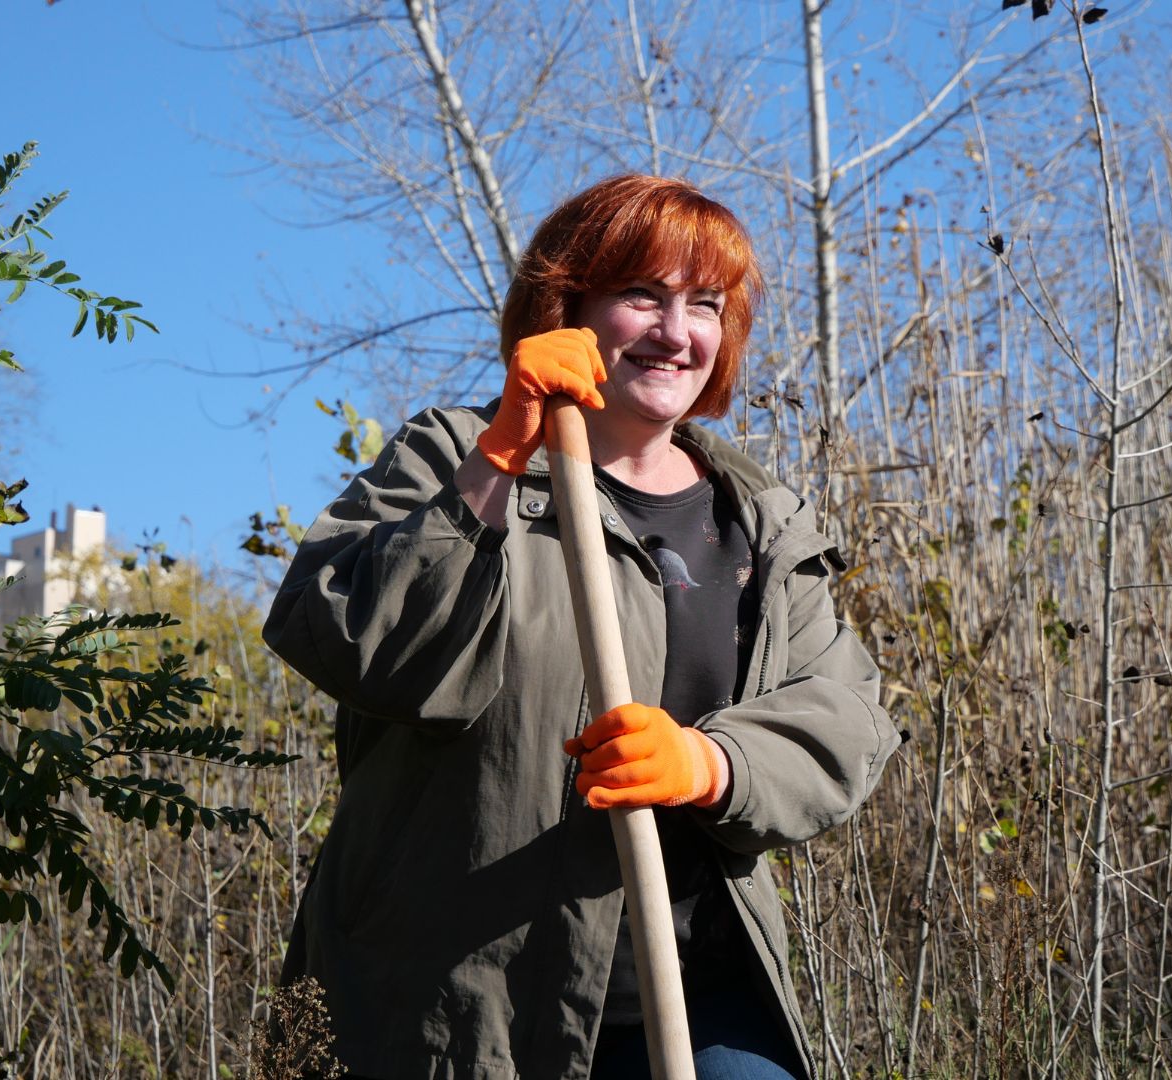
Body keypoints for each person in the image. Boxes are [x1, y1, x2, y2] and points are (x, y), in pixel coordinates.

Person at [263, 174, 897, 1079]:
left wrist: (713, 764)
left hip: (694, 997)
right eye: (643, 295)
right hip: (452, 1004)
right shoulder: (454, 455)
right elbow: (345, 636)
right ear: (567, 306)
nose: (676, 332)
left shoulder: (758, 519)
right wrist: (501, 459)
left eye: (704, 305)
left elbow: (847, 717)